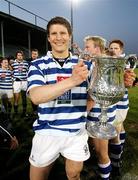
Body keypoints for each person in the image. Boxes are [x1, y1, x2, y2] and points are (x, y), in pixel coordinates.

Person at [27, 16, 91, 180]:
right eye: (54, 33)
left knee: (74, 174)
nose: (58, 37)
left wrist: (122, 83)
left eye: (63, 33)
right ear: (48, 38)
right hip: (46, 132)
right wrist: (72, 81)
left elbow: (96, 94)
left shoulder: (85, 64)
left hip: (76, 132)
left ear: (70, 35)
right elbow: (36, 96)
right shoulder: (38, 64)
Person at [84, 36, 135, 180]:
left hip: (101, 113)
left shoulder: (105, 64)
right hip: (106, 111)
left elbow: (96, 93)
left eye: (88, 47)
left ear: (97, 48)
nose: (85, 50)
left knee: (104, 150)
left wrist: (128, 81)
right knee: (112, 139)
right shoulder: (94, 63)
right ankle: (115, 165)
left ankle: (113, 167)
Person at [11, 50, 29, 116]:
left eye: (21, 55)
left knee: (24, 97)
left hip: (24, 82)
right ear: (16, 56)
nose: (20, 56)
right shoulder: (13, 63)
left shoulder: (26, 63)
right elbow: (11, 72)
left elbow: (28, 72)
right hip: (17, 82)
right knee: (16, 98)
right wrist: (13, 79)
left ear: (23, 56)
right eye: (18, 55)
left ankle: (24, 112)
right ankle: (16, 112)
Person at [27, 49, 39, 114]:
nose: (34, 55)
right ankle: (35, 109)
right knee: (32, 96)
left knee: (40, 95)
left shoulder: (40, 61)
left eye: (35, 54)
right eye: (33, 54)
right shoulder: (27, 61)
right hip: (31, 81)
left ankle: (40, 108)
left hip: (39, 81)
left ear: (38, 55)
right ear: (31, 54)